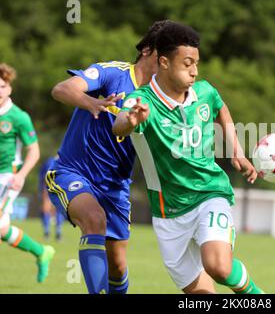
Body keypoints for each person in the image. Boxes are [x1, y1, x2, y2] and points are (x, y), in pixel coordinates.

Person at [113, 21, 264, 294]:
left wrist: (236, 152)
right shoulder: (141, 100)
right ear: (164, 62)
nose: (194, 71)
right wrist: (132, 120)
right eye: (187, 63)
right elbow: (119, 124)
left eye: (197, 63)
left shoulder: (204, 91)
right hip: (168, 212)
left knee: (218, 266)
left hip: (210, 193)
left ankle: (257, 296)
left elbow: (221, 108)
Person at [46, 20, 170, 294]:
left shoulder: (160, 100)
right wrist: (91, 101)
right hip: (72, 173)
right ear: (148, 50)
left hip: (115, 188)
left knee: (117, 264)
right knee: (94, 219)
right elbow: (61, 89)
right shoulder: (112, 73)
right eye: (166, 54)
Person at [0, 63, 55, 282]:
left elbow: (34, 150)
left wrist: (21, 176)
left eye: (2, 86)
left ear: (10, 89)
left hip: (8, 177)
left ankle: (42, 252)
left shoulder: (18, 117)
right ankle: (42, 252)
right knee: (3, 229)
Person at [39, 155, 65, 240]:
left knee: (49, 208)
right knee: (57, 208)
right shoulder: (61, 161)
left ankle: (50, 232)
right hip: (57, 186)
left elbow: (42, 175)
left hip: (50, 186)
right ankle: (56, 232)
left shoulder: (50, 161)